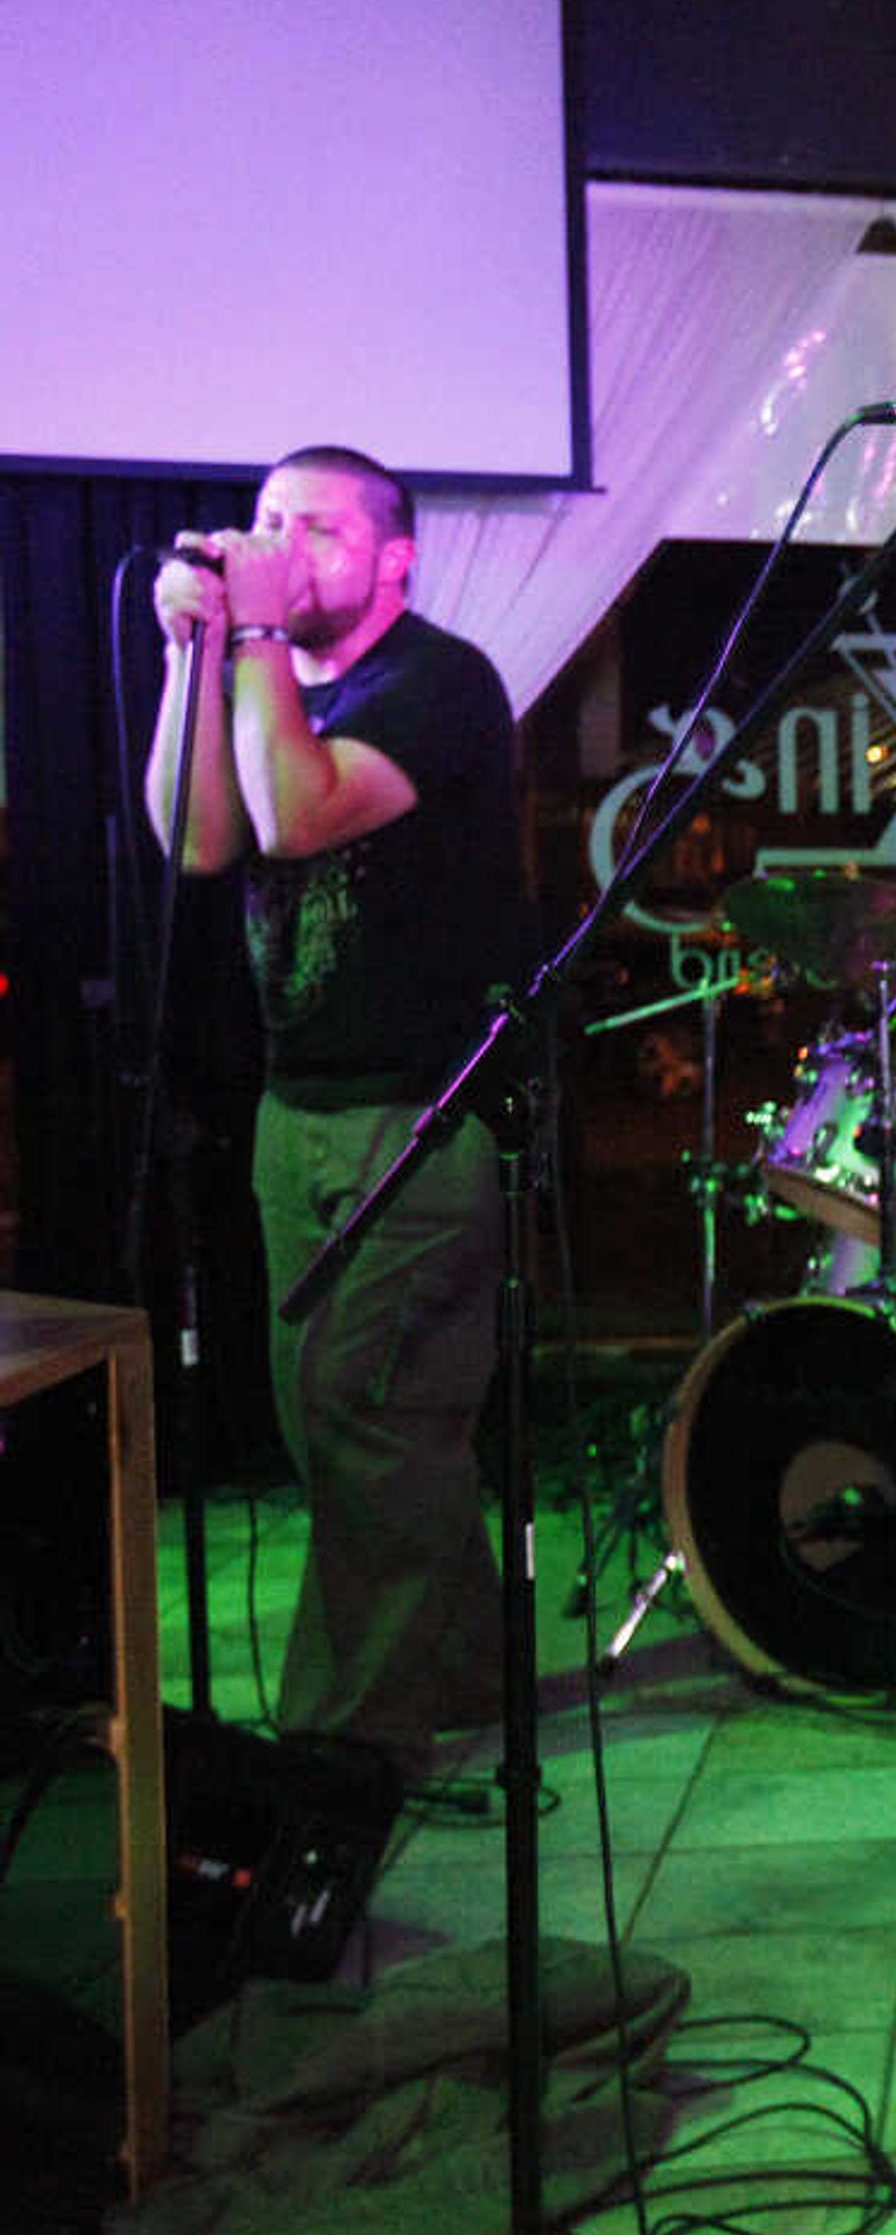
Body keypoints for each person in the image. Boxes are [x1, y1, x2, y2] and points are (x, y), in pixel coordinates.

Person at [143, 445, 528, 1784]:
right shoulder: (269, 681)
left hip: (422, 1114)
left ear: (392, 557)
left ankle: (343, 1752)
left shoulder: (438, 683)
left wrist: (247, 631)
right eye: (265, 524)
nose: (280, 545)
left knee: (363, 1408)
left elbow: (298, 818)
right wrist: (197, 661)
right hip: (295, 1107)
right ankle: (474, 1662)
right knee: (338, 1427)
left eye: (315, 527)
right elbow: (199, 838)